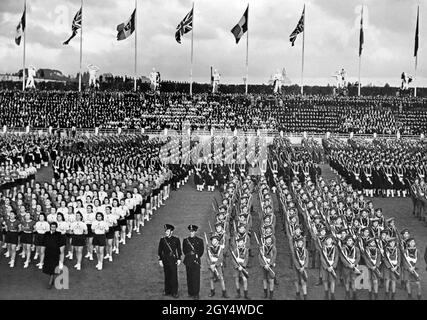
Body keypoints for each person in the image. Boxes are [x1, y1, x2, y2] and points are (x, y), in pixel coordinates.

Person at [158, 224, 182, 298]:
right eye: (165, 231)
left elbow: (179, 250)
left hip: (173, 260)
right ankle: (167, 290)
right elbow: (160, 250)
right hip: (165, 260)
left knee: (174, 276)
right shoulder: (162, 240)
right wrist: (160, 260)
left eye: (168, 231)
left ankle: (174, 291)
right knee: (167, 275)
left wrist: (179, 259)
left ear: (171, 231)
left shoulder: (176, 239)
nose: (166, 232)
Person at [182, 225, 204, 300]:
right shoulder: (185, 240)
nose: (191, 233)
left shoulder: (200, 240)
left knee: (196, 278)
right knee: (189, 277)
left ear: (195, 232)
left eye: (193, 231)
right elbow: (184, 251)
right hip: (188, 261)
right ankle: (190, 292)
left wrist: (195, 256)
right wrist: (190, 255)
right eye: (190, 231)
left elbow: (201, 251)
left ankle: (196, 293)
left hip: (196, 261)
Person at [42, 222, 62, 289]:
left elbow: (60, 243)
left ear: (56, 227)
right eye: (52, 227)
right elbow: (44, 242)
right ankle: (52, 278)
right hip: (48, 252)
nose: (53, 228)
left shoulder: (59, 234)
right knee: (49, 266)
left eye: (54, 227)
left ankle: (50, 281)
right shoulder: (46, 233)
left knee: (53, 266)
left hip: (55, 252)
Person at [259, 234, 277, 300]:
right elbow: (260, 257)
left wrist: (269, 264)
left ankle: (271, 295)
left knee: (271, 280)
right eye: (267, 240)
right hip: (264, 266)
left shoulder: (273, 248)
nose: (268, 241)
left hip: (271, 266)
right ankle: (265, 293)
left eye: (270, 240)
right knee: (264, 279)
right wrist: (264, 265)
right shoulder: (262, 248)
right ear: (265, 240)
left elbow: (274, 257)